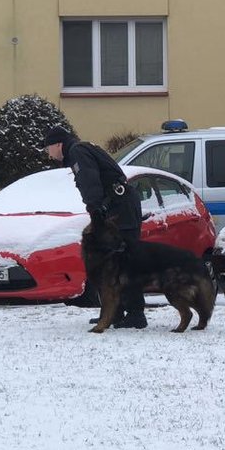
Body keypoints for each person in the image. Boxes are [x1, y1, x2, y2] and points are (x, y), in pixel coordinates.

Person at [42, 125, 147, 329]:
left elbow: (90, 182)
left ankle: (135, 314)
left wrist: (95, 210)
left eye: (48, 149)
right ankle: (114, 312)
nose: (48, 154)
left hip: (119, 210)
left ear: (58, 144)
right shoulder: (81, 149)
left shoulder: (77, 152)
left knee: (123, 263)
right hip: (119, 206)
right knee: (112, 263)